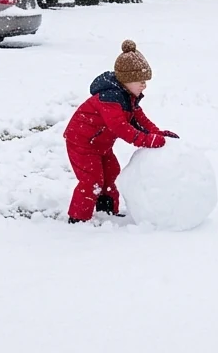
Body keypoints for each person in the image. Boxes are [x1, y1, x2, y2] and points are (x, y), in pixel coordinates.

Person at [63, 40, 178, 223]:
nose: (144, 85)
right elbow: (120, 128)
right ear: (126, 80)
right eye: (140, 81)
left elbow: (141, 120)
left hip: (101, 145)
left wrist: (157, 134)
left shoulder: (128, 98)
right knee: (92, 180)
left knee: (111, 173)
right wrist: (146, 140)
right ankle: (78, 219)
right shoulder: (109, 99)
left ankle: (106, 210)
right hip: (82, 143)